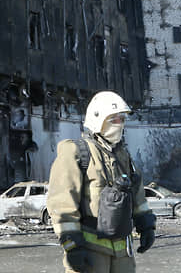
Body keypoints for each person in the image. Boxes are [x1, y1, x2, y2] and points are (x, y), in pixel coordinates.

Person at [47, 91, 157, 273]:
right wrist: (72, 245)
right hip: (90, 252)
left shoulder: (124, 156)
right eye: (114, 119)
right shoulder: (76, 152)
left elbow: (137, 194)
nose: (120, 124)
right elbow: (61, 202)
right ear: (98, 119)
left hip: (123, 254)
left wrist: (146, 225)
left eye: (122, 119)